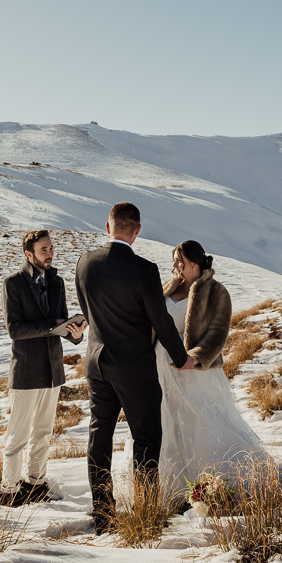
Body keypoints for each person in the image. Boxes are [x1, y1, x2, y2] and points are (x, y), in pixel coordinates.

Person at [75, 202, 197, 534]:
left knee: (99, 436)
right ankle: (145, 511)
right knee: (146, 436)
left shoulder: (85, 262)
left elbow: (88, 309)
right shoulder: (144, 269)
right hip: (134, 367)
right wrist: (181, 357)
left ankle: (103, 515)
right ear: (137, 230)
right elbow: (161, 321)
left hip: (96, 362)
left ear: (108, 226)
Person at [149, 241, 267, 493]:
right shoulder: (167, 288)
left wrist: (195, 358)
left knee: (199, 421)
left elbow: (218, 332)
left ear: (194, 263)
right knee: (165, 421)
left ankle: (212, 486)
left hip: (193, 371)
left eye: (179, 261)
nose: (174, 265)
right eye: (174, 260)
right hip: (160, 368)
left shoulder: (216, 292)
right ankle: (169, 488)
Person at [0, 229, 87, 506]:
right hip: (26, 372)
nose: (50, 254)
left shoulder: (57, 282)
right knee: (17, 437)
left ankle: (36, 484)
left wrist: (75, 334)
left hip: (52, 370)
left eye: (51, 249)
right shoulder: (13, 284)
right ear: (29, 254)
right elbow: (15, 330)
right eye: (43, 250)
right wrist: (52, 326)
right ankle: (9, 492)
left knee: (43, 434)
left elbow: (62, 323)